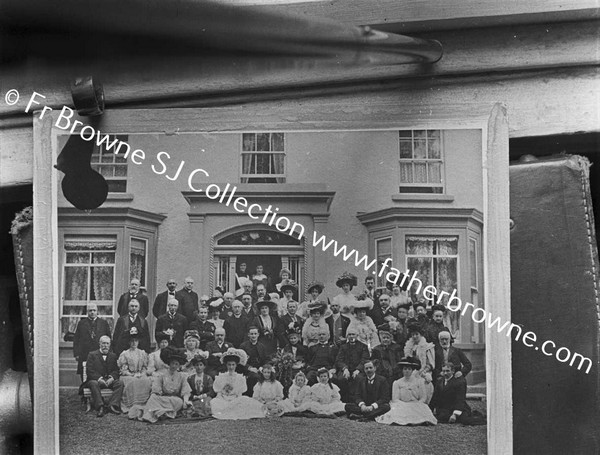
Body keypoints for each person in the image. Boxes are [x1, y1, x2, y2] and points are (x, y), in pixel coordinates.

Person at [129, 347, 192, 423]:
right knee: (153, 398)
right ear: (169, 364)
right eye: (172, 363)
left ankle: (160, 412)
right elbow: (156, 390)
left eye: (176, 364)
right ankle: (158, 412)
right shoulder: (162, 375)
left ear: (179, 366)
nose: (174, 366)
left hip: (174, 400)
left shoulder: (182, 376)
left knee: (179, 402)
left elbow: (186, 391)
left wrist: (186, 401)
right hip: (162, 398)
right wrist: (157, 394)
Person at [376, 357, 437, 426]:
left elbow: (423, 398)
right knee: (399, 411)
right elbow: (395, 399)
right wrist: (405, 405)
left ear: (412, 370)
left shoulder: (419, 382)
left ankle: (419, 420)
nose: (407, 371)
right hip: (402, 404)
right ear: (402, 370)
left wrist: (417, 404)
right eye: (405, 369)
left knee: (422, 409)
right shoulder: (397, 383)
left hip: (416, 404)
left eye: (409, 369)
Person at [211, 348, 265, 420]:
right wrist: (225, 401)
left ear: (236, 365)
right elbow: (219, 394)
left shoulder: (240, 378)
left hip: (235, 400)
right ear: (226, 365)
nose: (231, 367)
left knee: (244, 400)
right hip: (223, 400)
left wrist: (233, 402)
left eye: (233, 365)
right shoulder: (221, 377)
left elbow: (239, 395)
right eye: (229, 365)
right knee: (214, 402)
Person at [85, 336, 124, 417]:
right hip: (96, 380)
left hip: (108, 380)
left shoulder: (113, 356)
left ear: (110, 345)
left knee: (119, 383)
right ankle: (100, 407)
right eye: (103, 343)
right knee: (93, 383)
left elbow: (116, 370)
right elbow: (89, 370)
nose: (105, 345)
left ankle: (112, 405)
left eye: (107, 343)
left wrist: (112, 378)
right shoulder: (92, 354)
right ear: (99, 344)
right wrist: (99, 379)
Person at [117, 327, 152, 413]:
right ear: (129, 342)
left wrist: (142, 373)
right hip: (128, 375)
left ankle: (144, 404)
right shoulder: (125, 354)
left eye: (135, 341)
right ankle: (131, 405)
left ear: (138, 342)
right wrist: (132, 375)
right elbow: (123, 370)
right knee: (132, 381)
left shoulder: (142, 353)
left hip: (139, 374)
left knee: (146, 380)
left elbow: (144, 367)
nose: (134, 343)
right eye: (132, 341)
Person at [73, 303, 111, 381]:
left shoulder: (103, 323)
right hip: (85, 352)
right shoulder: (82, 323)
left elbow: (109, 338)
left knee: (99, 371)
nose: (92, 312)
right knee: (84, 372)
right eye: (90, 310)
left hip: (99, 351)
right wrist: (76, 353)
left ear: (97, 311)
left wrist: (108, 351)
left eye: (94, 310)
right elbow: (76, 339)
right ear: (87, 312)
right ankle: (84, 389)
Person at [334, 327, 369, 402]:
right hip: (346, 369)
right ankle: (344, 400)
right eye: (349, 334)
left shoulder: (363, 346)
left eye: (353, 334)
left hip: (359, 369)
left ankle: (358, 400)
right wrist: (345, 368)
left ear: (357, 336)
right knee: (341, 379)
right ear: (347, 336)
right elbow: (339, 360)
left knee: (359, 378)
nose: (351, 336)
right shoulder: (343, 347)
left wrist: (358, 369)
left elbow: (365, 359)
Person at [403, 322, 435, 403]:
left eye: (416, 334)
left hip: (424, 372)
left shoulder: (428, 347)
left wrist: (422, 372)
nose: (414, 336)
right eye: (413, 334)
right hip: (411, 372)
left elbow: (431, 364)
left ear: (420, 334)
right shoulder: (409, 347)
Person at [240, 326, 269, 393]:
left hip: (260, 369)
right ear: (248, 335)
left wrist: (263, 367)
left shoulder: (261, 346)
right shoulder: (243, 346)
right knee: (255, 377)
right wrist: (249, 368)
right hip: (248, 370)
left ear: (258, 335)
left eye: (255, 334)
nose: (253, 336)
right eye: (252, 334)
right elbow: (240, 361)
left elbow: (266, 359)